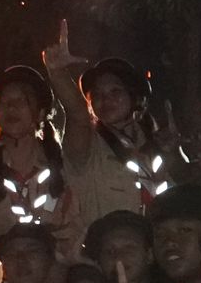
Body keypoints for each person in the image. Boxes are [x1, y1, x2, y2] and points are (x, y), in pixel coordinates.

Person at [43, 21, 190, 224]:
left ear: (135, 97)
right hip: (103, 243)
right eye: (97, 94)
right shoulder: (88, 146)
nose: (105, 100)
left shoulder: (156, 143)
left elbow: (188, 190)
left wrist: (175, 153)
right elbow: (77, 114)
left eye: (115, 91)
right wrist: (58, 73)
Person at [0, 65, 82, 256]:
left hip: (63, 268)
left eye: (22, 101)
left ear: (40, 113)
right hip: (16, 269)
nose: (11, 107)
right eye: (3, 102)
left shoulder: (62, 160)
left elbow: (79, 117)